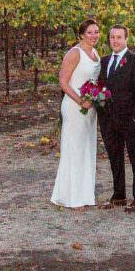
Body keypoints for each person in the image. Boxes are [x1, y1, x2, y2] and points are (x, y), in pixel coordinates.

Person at [49, 19, 101, 209]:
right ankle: (70, 197)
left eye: (96, 32)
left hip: (90, 107)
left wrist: (95, 98)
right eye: (89, 32)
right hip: (75, 106)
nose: (94, 36)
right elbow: (63, 82)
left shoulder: (95, 53)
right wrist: (81, 101)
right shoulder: (74, 53)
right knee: (74, 149)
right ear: (81, 35)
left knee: (87, 149)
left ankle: (85, 195)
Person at [98, 24, 135, 212]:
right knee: (115, 157)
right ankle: (118, 196)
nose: (115, 41)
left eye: (119, 37)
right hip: (108, 119)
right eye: (112, 37)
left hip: (129, 119)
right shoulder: (104, 61)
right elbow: (101, 88)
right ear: (109, 39)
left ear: (126, 39)